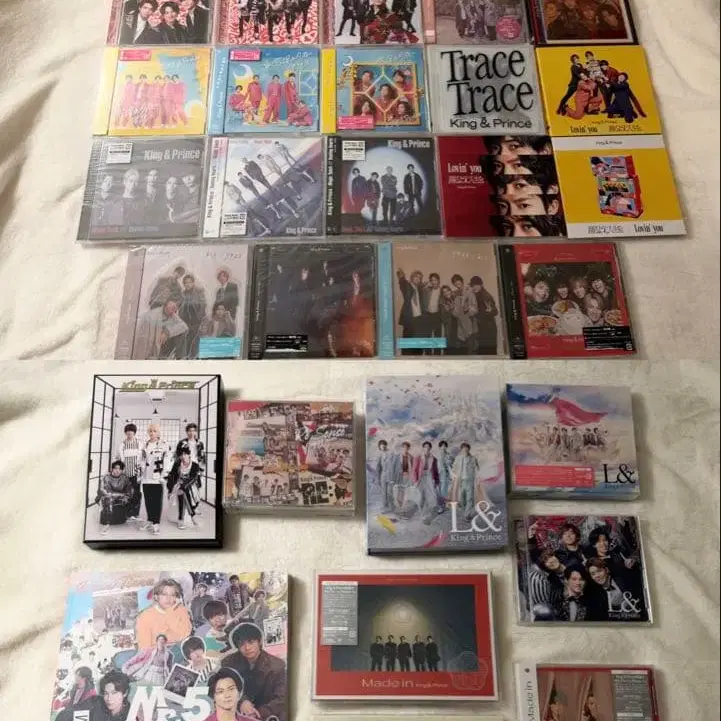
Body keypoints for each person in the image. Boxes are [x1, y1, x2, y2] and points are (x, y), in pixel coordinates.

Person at [221, 623, 287, 720]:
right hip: (238, 713)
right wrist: (242, 701)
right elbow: (225, 687)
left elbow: (281, 698)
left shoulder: (277, 665)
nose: (247, 648)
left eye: (251, 642)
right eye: (242, 644)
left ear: (259, 642)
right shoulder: (228, 663)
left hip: (268, 713)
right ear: (237, 647)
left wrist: (258, 713)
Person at [135, 578, 192, 648]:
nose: (168, 598)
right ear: (156, 597)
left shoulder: (181, 610)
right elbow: (144, 647)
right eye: (164, 594)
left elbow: (185, 634)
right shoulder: (144, 617)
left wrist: (170, 613)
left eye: (172, 595)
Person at [141, 424, 173, 535]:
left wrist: (163, 476)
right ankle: (150, 520)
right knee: (148, 500)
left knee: (156, 501)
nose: (152, 433)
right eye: (150, 431)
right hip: (146, 477)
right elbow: (142, 460)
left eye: (154, 431)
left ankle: (156, 524)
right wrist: (140, 474)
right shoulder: (145, 445)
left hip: (157, 478)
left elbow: (168, 462)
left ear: (158, 432)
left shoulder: (164, 445)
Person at [166, 447, 202, 529]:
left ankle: (181, 519)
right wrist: (170, 490)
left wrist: (182, 487)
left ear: (189, 454)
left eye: (185, 454)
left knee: (183, 491)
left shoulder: (195, 465)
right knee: (182, 492)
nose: (183, 456)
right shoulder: (177, 464)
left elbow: (193, 479)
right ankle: (192, 516)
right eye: (181, 454)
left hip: (191, 486)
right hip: (178, 485)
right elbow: (171, 477)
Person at [97, 461, 133, 534]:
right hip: (108, 497)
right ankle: (107, 523)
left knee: (136, 495)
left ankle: (127, 516)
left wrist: (126, 496)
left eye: (120, 469)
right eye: (116, 468)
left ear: (122, 470)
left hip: (120, 497)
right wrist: (121, 495)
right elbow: (105, 492)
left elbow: (129, 490)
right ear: (112, 469)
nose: (117, 471)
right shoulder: (106, 477)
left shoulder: (124, 478)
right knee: (108, 499)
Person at [396, 269, 425, 352]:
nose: (417, 279)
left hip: (418, 317)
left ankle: (417, 356)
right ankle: (405, 356)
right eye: (416, 277)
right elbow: (402, 283)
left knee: (418, 341)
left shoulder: (419, 288)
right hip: (409, 317)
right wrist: (401, 276)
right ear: (412, 277)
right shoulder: (407, 286)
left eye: (419, 278)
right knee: (407, 339)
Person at [469, 275, 498, 355]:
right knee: (484, 352)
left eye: (476, 285)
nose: (474, 287)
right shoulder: (476, 295)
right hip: (483, 328)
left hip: (488, 329)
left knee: (488, 353)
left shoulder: (485, 296)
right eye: (473, 285)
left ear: (481, 285)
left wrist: (477, 312)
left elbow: (495, 311)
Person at [414, 441, 440, 522]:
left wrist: (437, 481)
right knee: (420, 496)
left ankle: (427, 515)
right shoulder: (418, 457)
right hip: (420, 477)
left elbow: (436, 471)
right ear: (423, 448)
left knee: (431, 496)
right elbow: (414, 469)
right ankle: (421, 514)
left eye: (428, 447)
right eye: (425, 447)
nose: (427, 449)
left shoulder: (434, 459)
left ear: (430, 448)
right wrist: (415, 481)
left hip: (429, 476)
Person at [452, 442, 479, 520]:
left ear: (469, 449)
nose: (465, 450)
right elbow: (454, 467)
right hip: (461, 480)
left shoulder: (473, 458)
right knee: (462, 497)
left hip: (470, 480)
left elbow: (477, 468)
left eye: (467, 449)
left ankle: (467, 514)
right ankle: (464, 510)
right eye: (463, 449)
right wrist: (455, 475)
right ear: (461, 450)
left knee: (469, 497)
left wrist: (476, 477)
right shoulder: (458, 458)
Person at [422, 272, 442, 353]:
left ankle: (437, 354)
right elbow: (419, 291)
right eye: (432, 280)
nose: (434, 282)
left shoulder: (441, 290)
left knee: (438, 335)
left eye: (435, 280)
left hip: (437, 315)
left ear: (438, 280)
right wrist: (424, 285)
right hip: (428, 314)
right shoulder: (427, 290)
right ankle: (428, 354)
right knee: (427, 335)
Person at [375, 439, 397, 512]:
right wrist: (378, 479)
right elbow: (378, 468)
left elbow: (395, 466)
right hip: (383, 475)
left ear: (386, 445)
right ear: (379, 447)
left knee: (390, 492)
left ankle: (391, 507)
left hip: (390, 475)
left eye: (384, 445)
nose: (383, 447)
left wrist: (393, 477)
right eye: (381, 446)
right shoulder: (379, 455)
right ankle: (385, 506)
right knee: (384, 492)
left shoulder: (391, 453)